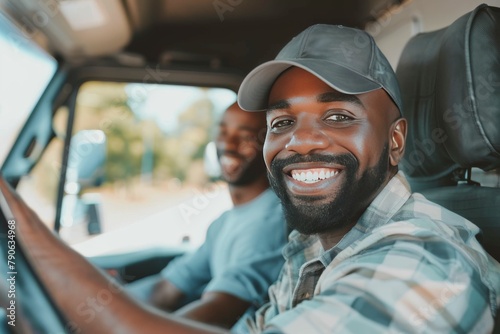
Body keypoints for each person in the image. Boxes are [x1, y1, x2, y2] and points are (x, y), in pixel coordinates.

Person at [1, 24, 499, 333]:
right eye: (281, 123)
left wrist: (17, 220)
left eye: (339, 116)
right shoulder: (312, 250)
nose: (300, 142)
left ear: (395, 141)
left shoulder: (427, 265)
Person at [125, 102, 287, 329]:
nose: (228, 144)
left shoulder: (270, 220)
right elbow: (166, 288)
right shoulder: (224, 222)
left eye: (247, 136)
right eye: (222, 132)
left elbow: (220, 310)